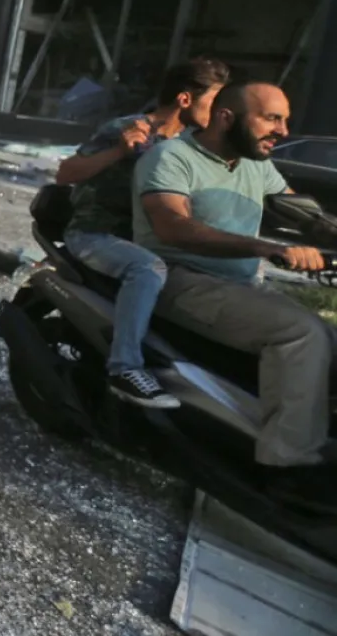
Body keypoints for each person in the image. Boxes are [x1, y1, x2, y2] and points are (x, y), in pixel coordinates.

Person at [134, 81, 332, 508]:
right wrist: (265, 247)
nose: (283, 131)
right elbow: (173, 226)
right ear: (226, 117)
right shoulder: (171, 158)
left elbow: (301, 210)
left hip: (237, 284)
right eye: (272, 118)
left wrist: (326, 230)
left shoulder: (255, 164)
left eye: (285, 120)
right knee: (302, 334)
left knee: (329, 338)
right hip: (178, 279)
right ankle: (287, 469)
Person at [55, 58, 229, 407]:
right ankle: (125, 369)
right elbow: (66, 173)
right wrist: (119, 151)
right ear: (185, 99)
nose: (218, 113)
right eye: (213, 102)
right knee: (148, 269)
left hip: (149, 238)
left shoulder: (192, 145)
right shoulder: (127, 128)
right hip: (96, 233)